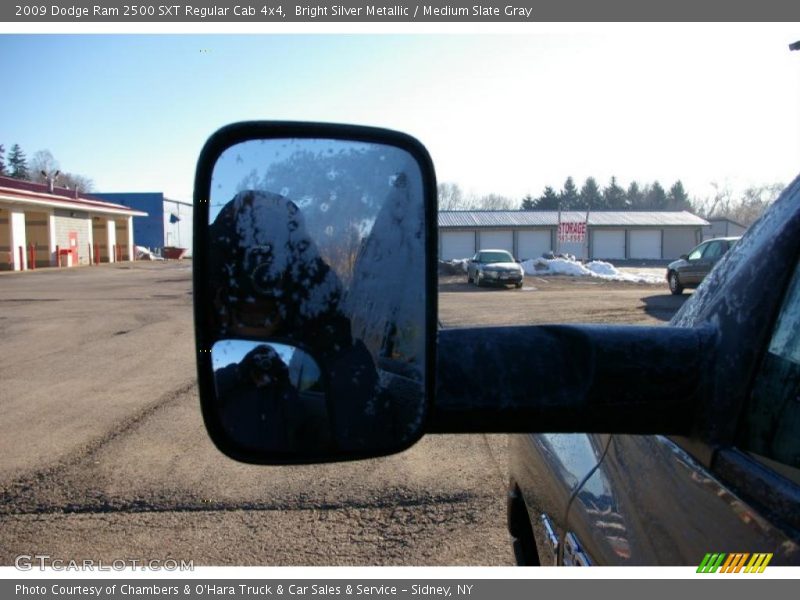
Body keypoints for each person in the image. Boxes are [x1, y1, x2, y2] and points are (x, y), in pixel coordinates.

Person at [208, 189, 387, 452]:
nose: (260, 282)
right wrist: (241, 372)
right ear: (218, 286)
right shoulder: (231, 380)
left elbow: (360, 421)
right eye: (241, 270)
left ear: (296, 280)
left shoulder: (313, 362)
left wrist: (324, 317)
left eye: (273, 270)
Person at [213, 344, 300, 452]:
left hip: (273, 457)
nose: (262, 371)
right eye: (258, 365)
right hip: (235, 454)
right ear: (250, 365)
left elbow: (297, 417)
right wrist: (239, 370)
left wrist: (284, 379)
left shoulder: (280, 392)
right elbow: (213, 385)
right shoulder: (234, 387)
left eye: (268, 365)